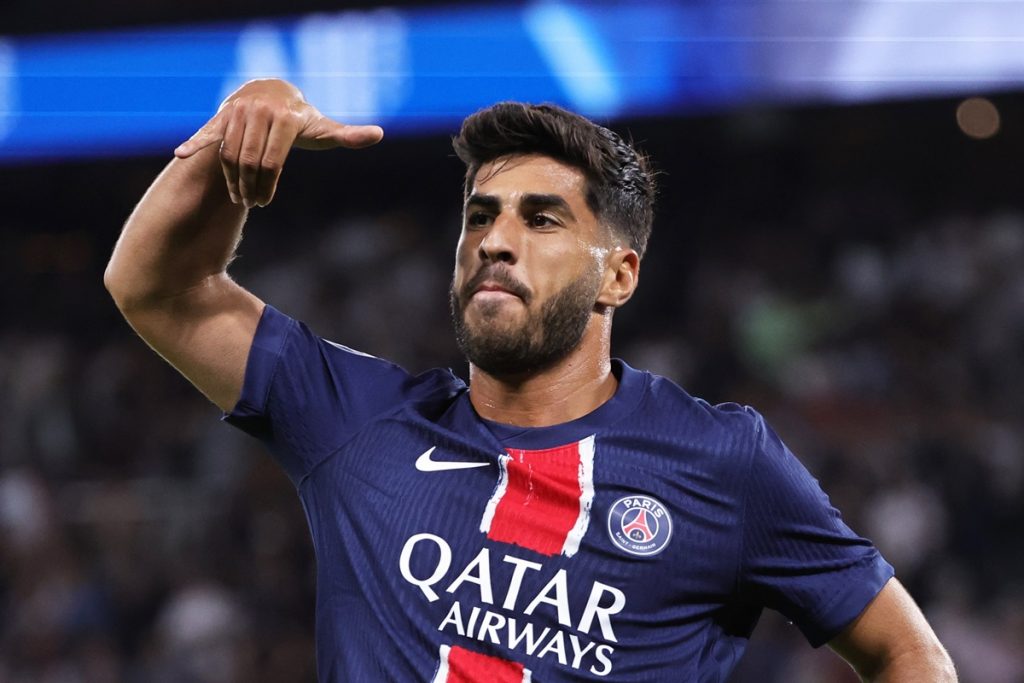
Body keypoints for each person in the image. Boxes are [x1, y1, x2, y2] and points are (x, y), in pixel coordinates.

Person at [104, 78, 956, 682]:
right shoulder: (356, 422)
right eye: (481, 215)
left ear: (618, 276)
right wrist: (223, 143)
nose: (495, 240)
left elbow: (909, 653)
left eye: (541, 219)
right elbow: (158, 288)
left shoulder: (722, 459)